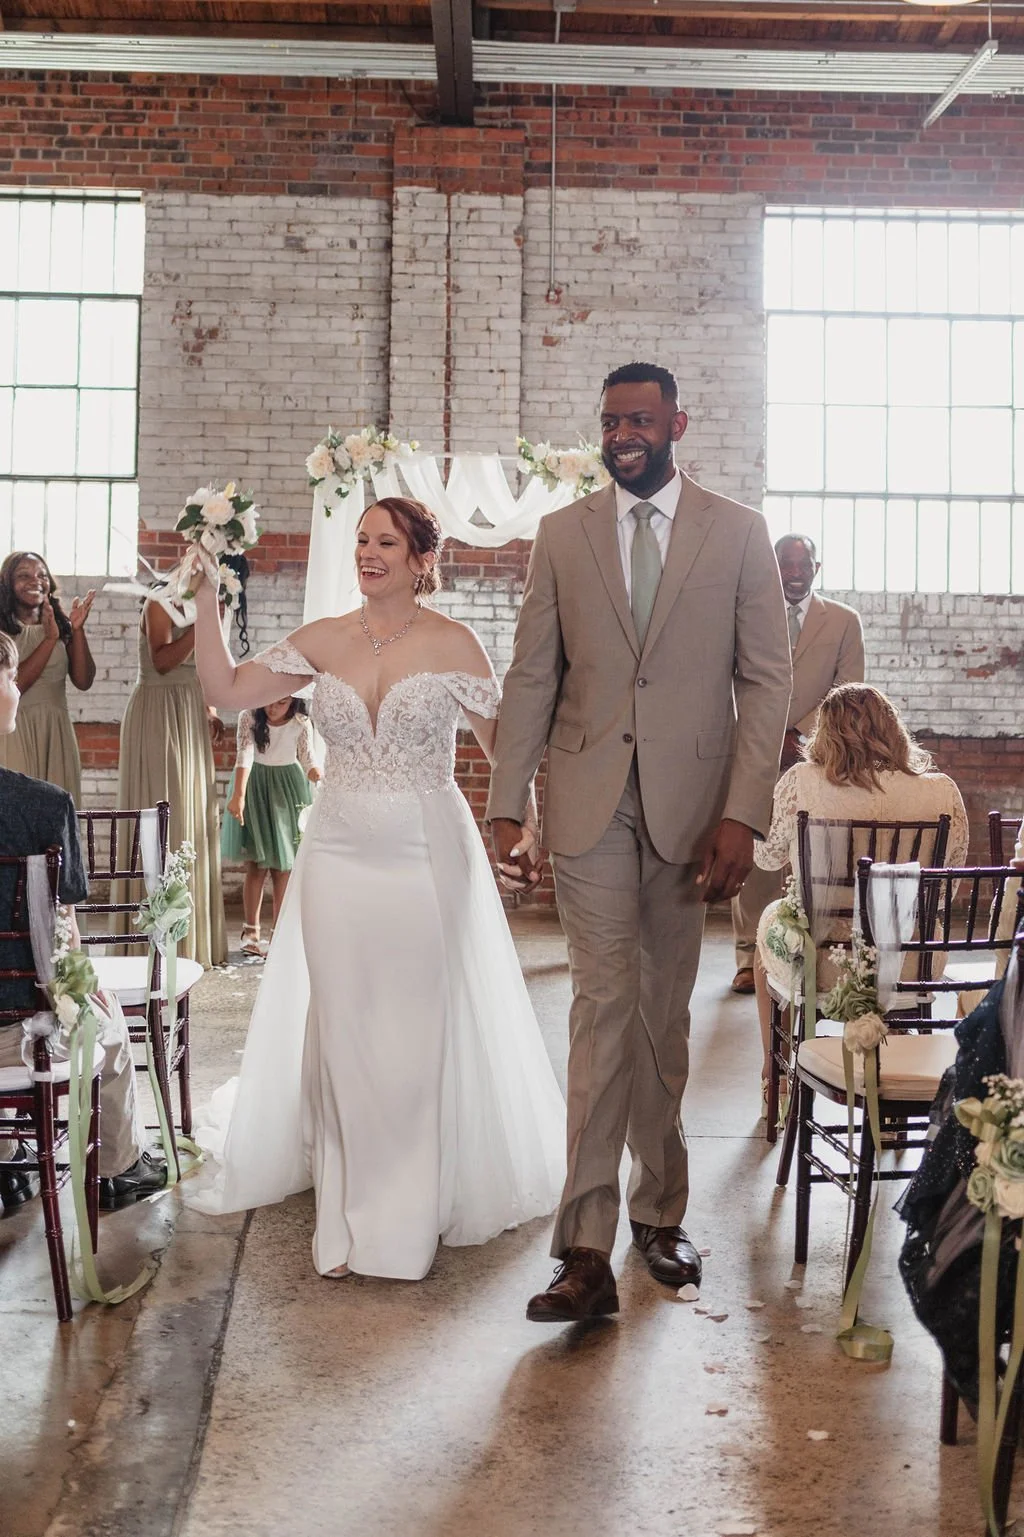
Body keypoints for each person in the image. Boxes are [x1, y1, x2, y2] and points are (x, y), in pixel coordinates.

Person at [185, 496, 565, 1282]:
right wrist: (205, 596)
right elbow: (225, 690)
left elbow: (507, 750)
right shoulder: (324, 639)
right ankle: (348, 1200)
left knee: (414, 1028)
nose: (368, 552)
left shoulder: (455, 643)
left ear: (422, 558)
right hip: (338, 854)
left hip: (426, 854)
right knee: (348, 1019)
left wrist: (525, 824)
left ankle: (406, 1210)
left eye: (384, 541)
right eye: (361, 539)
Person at [487, 361, 793, 1322]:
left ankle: (661, 1213)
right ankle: (583, 1249)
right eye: (611, 418)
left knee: (664, 1012)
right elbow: (533, 675)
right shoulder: (562, 535)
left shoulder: (738, 532)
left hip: (695, 812)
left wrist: (744, 812)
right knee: (602, 1003)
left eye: (641, 419)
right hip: (585, 800)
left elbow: (767, 683)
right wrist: (508, 801)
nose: (624, 433)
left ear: (677, 424)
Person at [0, 631, 166, 1214]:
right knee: (107, 1022)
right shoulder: (45, 805)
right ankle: (117, 1169)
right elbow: (64, 916)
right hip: (19, 1026)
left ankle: (6, 1171)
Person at [752, 683, 968, 1095]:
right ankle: (895, 1085)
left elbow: (766, 857)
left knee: (769, 929)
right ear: (892, 729)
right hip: (910, 961)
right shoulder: (939, 790)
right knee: (902, 933)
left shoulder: (802, 782)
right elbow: (947, 884)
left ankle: (775, 1077)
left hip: (823, 960)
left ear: (825, 732)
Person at [730, 533, 864, 995]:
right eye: (784, 565)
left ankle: (804, 957)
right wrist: (764, 734)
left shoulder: (844, 622)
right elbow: (729, 679)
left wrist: (800, 734)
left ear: (816, 568)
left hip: (817, 756)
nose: (792, 573)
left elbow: (849, 689)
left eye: (801, 565)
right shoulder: (745, 614)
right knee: (754, 850)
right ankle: (749, 957)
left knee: (808, 856)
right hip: (751, 750)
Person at [115, 552, 236, 969]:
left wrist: (211, 711)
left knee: (191, 819)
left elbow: (205, 667)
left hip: (189, 714)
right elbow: (164, 662)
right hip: (158, 715)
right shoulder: (159, 605)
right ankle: (152, 939)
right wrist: (206, 621)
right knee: (163, 814)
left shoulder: (209, 609)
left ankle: (191, 943)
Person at [221, 695, 321, 957]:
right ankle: (250, 931)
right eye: (269, 700)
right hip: (255, 787)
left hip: (288, 789)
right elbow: (244, 755)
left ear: (294, 701)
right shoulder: (250, 716)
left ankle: (280, 932)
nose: (273, 708)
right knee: (257, 864)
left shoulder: (301, 722)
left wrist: (319, 775)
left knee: (284, 868)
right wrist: (239, 795)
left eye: (282, 702)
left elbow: (307, 759)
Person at [0, 551, 96, 803]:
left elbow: (84, 681)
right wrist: (49, 640)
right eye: (24, 575)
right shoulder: (3, 633)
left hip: (57, 731)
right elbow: (17, 685)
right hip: (15, 733)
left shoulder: (61, 627)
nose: (35, 581)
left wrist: (76, 630)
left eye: (42, 575)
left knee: (58, 814)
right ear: (8, 582)